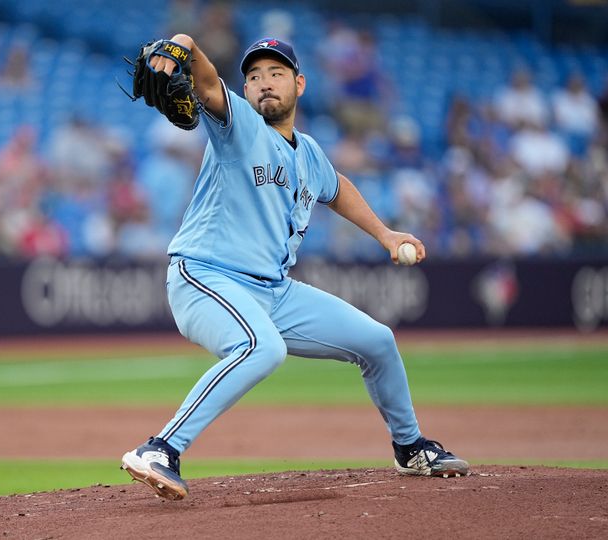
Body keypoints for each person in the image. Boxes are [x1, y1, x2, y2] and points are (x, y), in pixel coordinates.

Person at [120, 35, 469, 500]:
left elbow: (336, 186)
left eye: (276, 73)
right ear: (245, 91)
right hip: (206, 276)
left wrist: (386, 234)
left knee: (378, 342)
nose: (264, 83)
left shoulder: (307, 153)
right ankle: (161, 448)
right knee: (262, 348)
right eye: (254, 76)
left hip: (274, 292)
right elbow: (203, 82)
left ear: (300, 85)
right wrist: (184, 43)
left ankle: (410, 449)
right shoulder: (239, 126)